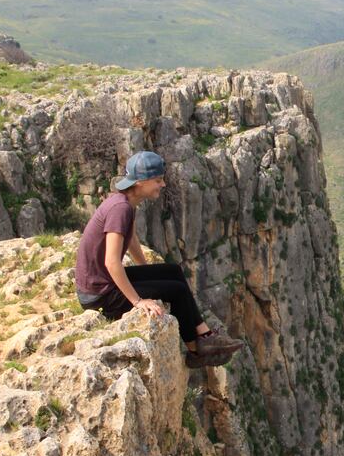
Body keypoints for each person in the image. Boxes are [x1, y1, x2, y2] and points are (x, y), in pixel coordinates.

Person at [74, 150, 242, 368]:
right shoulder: (120, 209)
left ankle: (204, 335)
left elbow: (131, 238)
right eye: (158, 180)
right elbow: (111, 262)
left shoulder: (125, 202)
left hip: (101, 283)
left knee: (172, 271)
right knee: (177, 290)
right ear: (141, 182)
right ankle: (196, 351)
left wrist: (147, 272)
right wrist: (138, 301)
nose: (162, 185)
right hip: (99, 296)